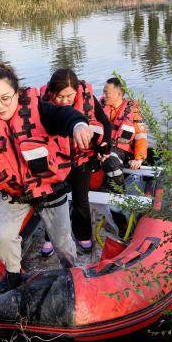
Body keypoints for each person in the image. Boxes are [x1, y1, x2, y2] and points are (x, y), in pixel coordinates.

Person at [0, 63, 93, 294]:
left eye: (5, 98)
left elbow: (63, 115)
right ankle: (13, 275)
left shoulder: (38, 109)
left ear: (17, 94)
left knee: (62, 242)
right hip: (14, 193)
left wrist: (78, 124)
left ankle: (69, 272)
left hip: (48, 188)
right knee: (3, 236)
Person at [38, 68, 112, 257]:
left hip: (81, 159)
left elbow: (105, 122)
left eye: (69, 96)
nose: (64, 101)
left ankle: (83, 235)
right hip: (54, 161)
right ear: (51, 92)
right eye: (59, 96)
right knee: (51, 200)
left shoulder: (88, 98)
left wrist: (105, 147)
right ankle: (51, 238)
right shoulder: (43, 104)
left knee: (81, 199)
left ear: (77, 92)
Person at [100, 77, 149, 190]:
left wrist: (138, 159)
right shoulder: (99, 107)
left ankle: (119, 192)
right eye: (104, 91)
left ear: (119, 94)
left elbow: (141, 138)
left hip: (122, 151)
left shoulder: (133, 113)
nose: (104, 95)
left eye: (107, 92)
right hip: (102, 146)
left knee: (110, 159)